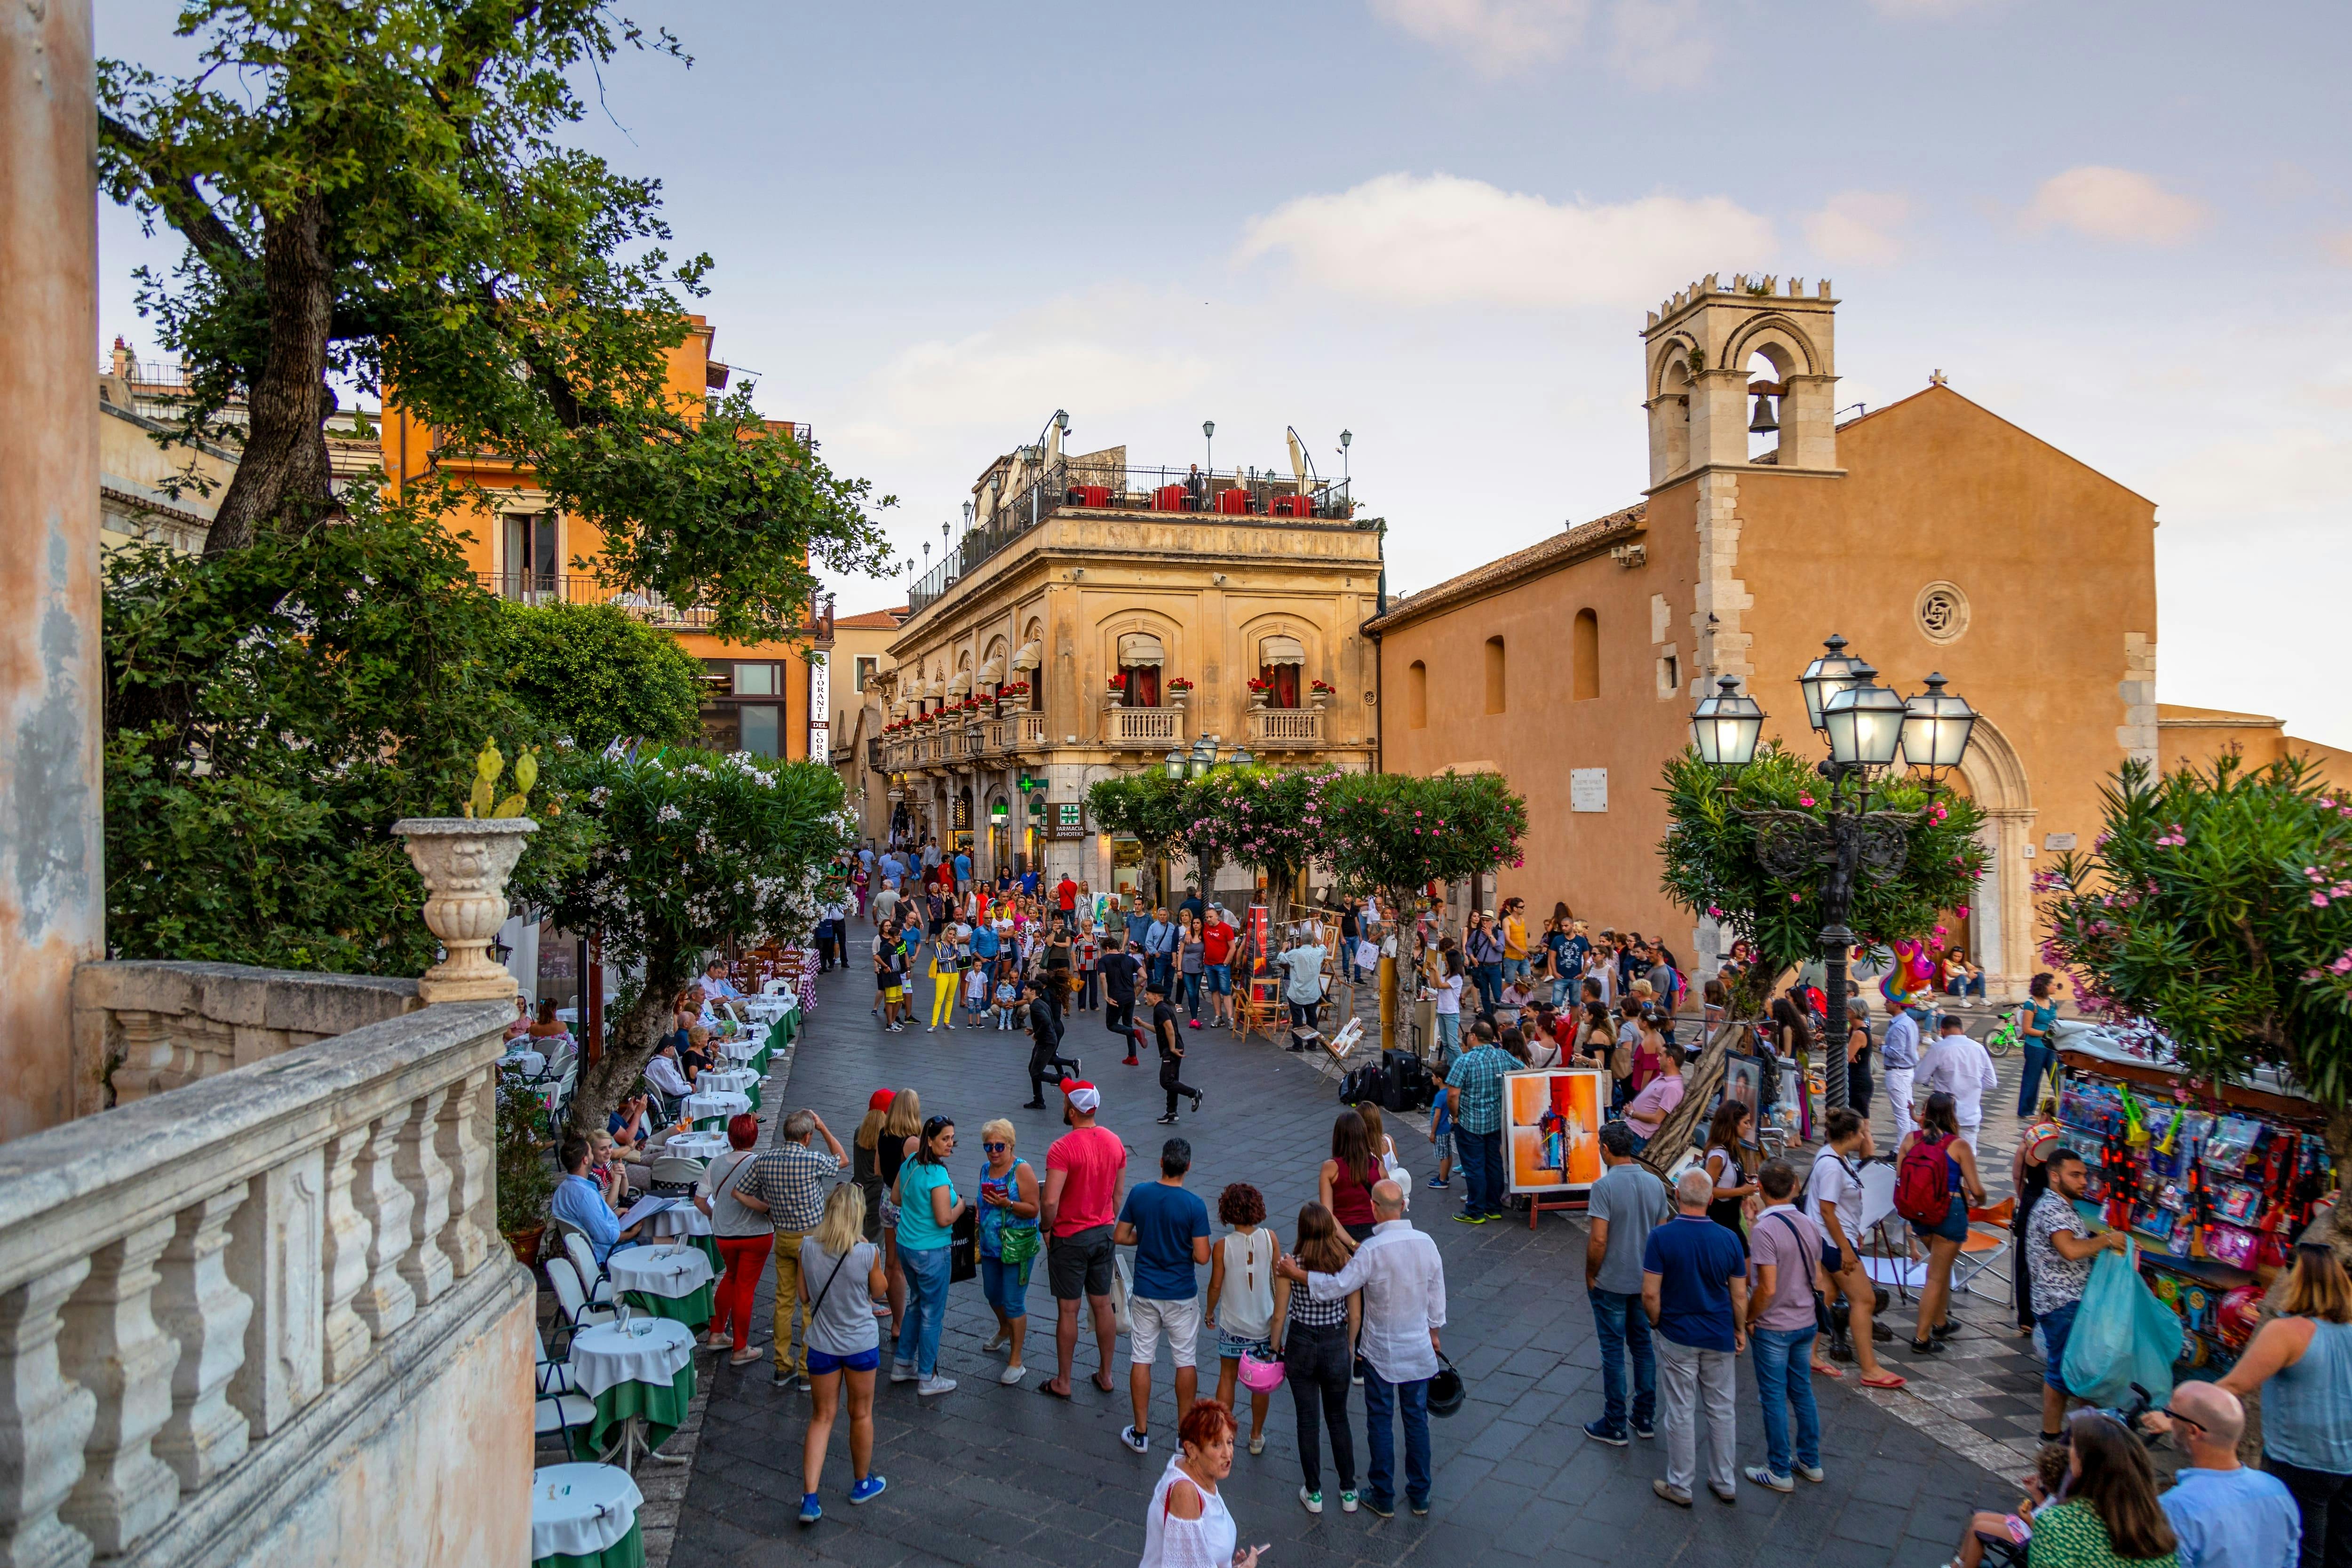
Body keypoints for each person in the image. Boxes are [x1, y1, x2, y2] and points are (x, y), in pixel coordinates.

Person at [1277, 1180, 1444, 1519]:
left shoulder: (1372, 1250)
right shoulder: (1427, 1243)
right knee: (1416, 1421)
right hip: (1418, 1349)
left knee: (1380, 1421)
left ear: (1375, 1208)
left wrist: (1299, 1274)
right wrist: (1434, 1332)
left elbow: (1337, 1286)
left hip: (1381, 1350)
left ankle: (1383, 1493)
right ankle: (1420, 1493)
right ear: (1404, 1205)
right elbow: (1436, 1296)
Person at [2215, 1242, 2352, 1568]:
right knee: (2342, 1556)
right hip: (2346, 1462)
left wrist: (2179, 1412)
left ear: (2297, 1279)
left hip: (2300, 1463)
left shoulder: (2286, 1332)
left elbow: (2234, 1385)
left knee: (2300, 1556)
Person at [1643, 1169, 1750, 1507]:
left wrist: (1657, 1321)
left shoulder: (1661, 1238)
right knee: (1721, 1410)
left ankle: (1681, 1484)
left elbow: (1650, 1293)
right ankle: (1724, 1481)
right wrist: (1739, 1328)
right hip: (1718, 1332)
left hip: (1677, 1333)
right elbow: (1738, 1295)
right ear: (1711, 1198)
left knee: (1680, 1410)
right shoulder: (1729, 1239)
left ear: (1677, 1196)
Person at [793, 1184, 890, 1526]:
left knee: (821, 1417)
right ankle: (862, 1482)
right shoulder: (867, 1253)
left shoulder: (807, 1247)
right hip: (861, 1343)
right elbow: (880, 1291)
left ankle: (810, 1497)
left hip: (822, 1343)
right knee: (860, 1414)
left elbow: (804, 1296)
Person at [732, 1107, 847, 1390]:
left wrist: (767, 1209)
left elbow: (739, 1192)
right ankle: (808, 1368)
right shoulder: (812, 1160)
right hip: (811, 1239)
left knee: (784, 1302)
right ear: (807, 1137)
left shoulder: (765, 1160)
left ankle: (782, 1365)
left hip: (783, 1236)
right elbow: (842, 1159)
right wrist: (823, 1127)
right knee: (811, 1304)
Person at [1114, 1137, 1212, 1454]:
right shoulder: (1194, 1205)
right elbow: (1202, 1256)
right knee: (1185, 1361)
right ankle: (1184, 1437)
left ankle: (1140, 1433)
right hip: (1181, 1294)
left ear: (1161, 1161)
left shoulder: (1140, 1193)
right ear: (1188, 1166)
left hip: (1146, 1291)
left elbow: (1120, 1235)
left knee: (1141, 1358)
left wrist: (1148, 1237)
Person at [2026, 1148, 2131, 1440]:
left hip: (2065, 1301)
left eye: (2085, 1175)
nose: (2084, 1181)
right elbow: (2070, 1250)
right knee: (2064, 1371)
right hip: (2060, 1302)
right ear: (2055, 1176)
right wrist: (2107, 1241)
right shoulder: (2053, 1209)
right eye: (2076, 1175)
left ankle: (2081, 1435)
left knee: (2076, 1369)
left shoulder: (2062, 1206)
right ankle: (2052, 1436)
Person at [2140, 1382, 2303, 1568]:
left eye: (2170, 1414)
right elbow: (2290, 1560)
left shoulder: (2175, 1507)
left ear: (2193, 1431)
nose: (2167, 1420)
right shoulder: (2277, 1490)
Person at [1039, 1081, 1127, 1401]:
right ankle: (1106, 1373)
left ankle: (1064, 1380)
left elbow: (1049, 1201)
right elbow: (1117, 1196)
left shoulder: (1061, 1148)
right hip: (1103, 1232)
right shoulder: (1115, 1142)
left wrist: (1046, 1228)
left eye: (1065, 1102)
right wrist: (1105, 1220)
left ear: (1072, 1110)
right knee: (1102, 1303)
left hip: (1069, 1236)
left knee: (1068, 1310)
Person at [1742, 1159, 1827, 1492]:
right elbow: (1817, 1277)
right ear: (1794, 1186)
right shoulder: (1808, 1223)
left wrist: (1749, 1316)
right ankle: (1810, 1459)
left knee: (1773, 1396)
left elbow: (1768, 1287)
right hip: (1806, 1319)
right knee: (1802, 1390)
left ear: (1760, 1188)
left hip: (1775, 1325)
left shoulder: (1766, 1230)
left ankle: (1779, 1468)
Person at [1584, 1122, 1671, 1445]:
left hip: (1612, 1280)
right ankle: (1645, 1416)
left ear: (1606, 1148)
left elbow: (1598, 1240)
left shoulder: (1604, 1187)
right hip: (1645, 1279)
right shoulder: (1654, 1184)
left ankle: (1615, 1421)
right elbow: (1662, 1234)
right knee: (1643, 1348)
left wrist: (1591, 1274)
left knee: (1613, 1352)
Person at [1271, 1202, 1360, 1514]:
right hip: (1335, 1341)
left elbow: (1280, 1314)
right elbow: (1355, 1315)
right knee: (1338, 1418)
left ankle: (1314, 1492)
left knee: (1307, 1420)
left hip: (1301, 1342)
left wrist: (1274, 1345)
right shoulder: (1346, 1263)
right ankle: (1349, 1491)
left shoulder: (1290, 1264)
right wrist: (1348, 1346)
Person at [1806, 1108, 1906, 1388]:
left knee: (1827, 1295)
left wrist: (1855, 1234)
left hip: (1835, 1240)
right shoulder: (1831, 1166)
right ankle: (1870, 1369)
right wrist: (1846, 1249)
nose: (1865, 1136)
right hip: (1834, 1243)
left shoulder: (1835, 1158)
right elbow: (1827, 1211)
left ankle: (1809, 1355)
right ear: (1850, 1135)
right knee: (1865, 1300)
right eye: (1862, 1132)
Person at [2026, 1412, 2180, 1567]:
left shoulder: (2057, 1525)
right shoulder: (2156, 1528)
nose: (2069, 1451)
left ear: (2084, 1462)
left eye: (2073, 1446)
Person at [1902, 1090, 1988, 1357]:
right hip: (1949, 1212)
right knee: (1936, 1275)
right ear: (1952, 1115)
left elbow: (1902, 1177)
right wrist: (1980, 1200)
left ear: (1926, 1112)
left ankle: (1940, 1323)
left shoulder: (1910, 1140)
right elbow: (1976, 1189)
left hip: (1919, 1213)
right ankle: (1921, 1338)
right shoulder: (1958, 1145)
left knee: (1940, 1267)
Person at [1137, 1400, 1266, 1568]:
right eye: (1216, 1445)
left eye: (1230, 1442)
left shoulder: (1202, 1476)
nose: (1228, 1454)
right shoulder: (1185, 1493)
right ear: (1191, 1449)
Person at [889, 1115, 964, 1397]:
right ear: (930, 1141)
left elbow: (896, 1198)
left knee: (916, 1303)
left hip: (907, 1246)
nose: (950, 1144)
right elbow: (945, 1218)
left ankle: (903, 1364)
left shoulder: (909, 1163)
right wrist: (962, 1206)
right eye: (945, 1139)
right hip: (932, 1251)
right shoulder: (937, 1175)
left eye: (952, 1138)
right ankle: (928, 1377)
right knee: (933, 1314)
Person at [1206, 1184, 1278, 1456]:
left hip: (1233, 1324)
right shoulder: (1270, 1238)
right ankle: (1256, 1436)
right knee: (1261, 1382)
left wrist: (1210, 1312)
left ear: (1228, 1212)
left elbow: (1215, 1286)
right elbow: (1276, 1278)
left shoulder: (1222, 1246)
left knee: (1227, 1375)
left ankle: (1224, 1433)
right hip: (1264, 1323)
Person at [695, 1114, 771, 1366]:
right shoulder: (761, 1163)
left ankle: (717, 1332)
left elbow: (699, 1201)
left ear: (730, 1137)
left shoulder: (715, 1164)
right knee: (745, 1289)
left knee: (731, 1278)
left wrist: (714, 1215)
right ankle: (740, 1348)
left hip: (725, 1234)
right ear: (754, 1137)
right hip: (755, 1234)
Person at [974, 1118, 1040, 1387]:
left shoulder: (1021, 1170)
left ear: (1011, 1145)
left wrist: (1007, 1203)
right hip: (990, 1246)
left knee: (1013, 1302)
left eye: (999, 1146)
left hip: (1017, 1246)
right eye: (988, 1146)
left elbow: (1034, 1208)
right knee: (992, 1294)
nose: (993, 1151)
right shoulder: (985, 1169)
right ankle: (1004, 1328)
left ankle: (1016, 1360)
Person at [1444, 1022, 1514, 1223]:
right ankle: (1493, 1207)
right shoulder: (1503, 1056)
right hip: (1495, 1120)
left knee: (1474, 1166)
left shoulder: (1465, 1061)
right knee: (1494, 1164)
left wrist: (1455, 1116)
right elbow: (1525, 1071)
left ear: (1473, 1036)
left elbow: (1453, 1094)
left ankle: (1475, 1210)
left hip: (1470, 1122)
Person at [551, 1135, 646, 1266]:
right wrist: (633, 1233)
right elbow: (608, 1236)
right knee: (666, 1242)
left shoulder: (562, 1190)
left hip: (589, 1251)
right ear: (585, 1160)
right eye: (591, 1153)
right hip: (608, 1254)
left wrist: (612, 1214)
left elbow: (592, 1219)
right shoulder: (585, 1194)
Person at [1920, 1014, 2001, 1151]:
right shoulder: (1979, 1048)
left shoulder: (1939, 1048)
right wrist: (1973, 1088)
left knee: (1943, 1156)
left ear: (1942, 1030)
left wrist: (1935, 1076)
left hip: (1944, 1117)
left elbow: (1920, 1078)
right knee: (1968, 1156)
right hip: (1971, 1114)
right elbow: (1991, 1082)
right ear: (1962, 1030)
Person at [1702, 1101, 1758, 1252]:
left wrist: (1744, 1178)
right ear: (1733, 1124)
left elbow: (1727, 1178)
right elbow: (1707, 1191)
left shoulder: (1732, 1150)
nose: (1749, 1127)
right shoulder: (1718, 1155)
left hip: (1732, 1221)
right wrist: (1742, 1191)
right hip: (1720, 1222)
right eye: (1746, 1122)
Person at [1320, 1109, 1381, 1248]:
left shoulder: (1330, 1168)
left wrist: (1352, 1244)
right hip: (1373, 1234)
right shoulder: (1378, 1167)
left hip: (1342, 1236)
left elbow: (1327, 1214)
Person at [1149, 974, 1203, 1125]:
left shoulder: (1160, 1010)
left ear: (1154, 996)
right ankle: (1171, 1112)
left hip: (1172, 1048)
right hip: (1176, 1046)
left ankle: (1194, 1093)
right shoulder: (1163, 1007)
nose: (1145, 997)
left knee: (1166, 1081)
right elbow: (1161, 1030)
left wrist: (1172, 1048)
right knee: (1172, 1080)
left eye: (1147, 994)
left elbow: (1170, 1029)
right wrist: (1142, 1025)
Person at [1623, 1024, 1685, 1149]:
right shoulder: (1663, 1076)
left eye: (1661, 1055)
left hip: (1637, 1136)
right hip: (1630, 1128)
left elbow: (1658, 1118)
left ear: (1670, 1060)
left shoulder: (1673, 1088)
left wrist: (1632, 1113)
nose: (1657, 1059)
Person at [1022, 976, 1081, 1109]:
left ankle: (1063, 1078)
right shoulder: (1040, 1003)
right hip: (1047, 1040)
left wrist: (1036, 1035)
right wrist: (1034, 1030)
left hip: (1046, 1042)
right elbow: (1048, 1019)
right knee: (1033, 1069)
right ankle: (1039, 1100)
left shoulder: (1035, 1007)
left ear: (1033, 992)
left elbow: (1047, 1022)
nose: (1023, 991)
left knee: (1036, 1072)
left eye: (1026, 989)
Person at [850, 1090, 896, 1243]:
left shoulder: (860, 1132)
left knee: (856, 1238)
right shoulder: (888, 1138)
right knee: (873, 1244)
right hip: (879, 1197)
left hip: (859, 1191)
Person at [2018, 972, 2065, 1117]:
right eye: (2052, 984)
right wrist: (2046, 1034)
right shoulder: (2030, 1004)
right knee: (2032, 1078)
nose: (2055, 987)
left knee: (2058, 1077)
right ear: (2044, 986)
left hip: (2052, 1047)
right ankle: (2026, 1111)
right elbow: (2027, 1029)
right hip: (2035, 1047)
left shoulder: (2053, 1002)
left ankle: (2066, 1108)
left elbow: (2055, 1022)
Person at [1277, 926, 1327, 1051]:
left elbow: (1280, 959)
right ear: (1312, 942)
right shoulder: (1317, 952)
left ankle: (1298, 1045)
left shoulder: (1295, 953)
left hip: (1297, 993)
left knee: (1297, 1019)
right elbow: (1325, 948)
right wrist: (1316, 938)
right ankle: (1312, 1044)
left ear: (1300, 941)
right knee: (1312, 1019)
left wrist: (1284, 947)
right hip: (1312, 993)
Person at [1880, 995, 1922, 1138]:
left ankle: (1901, 1149)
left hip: (1898, 1072)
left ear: (1897, 1005)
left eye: (1888, 1002)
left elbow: (1896, 1053)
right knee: (1908, 1110)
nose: (1885, 1004)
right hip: (1906, 1071)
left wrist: (1881, 1047)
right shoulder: (1909, 1022)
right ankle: (1913, 1144)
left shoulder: (1900, 1026)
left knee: (1902, 1113)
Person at [1101, 937, 1146, 1067]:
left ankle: (1135, 1033)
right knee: (1127, 1024)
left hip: (1116, 997)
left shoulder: (1104, 960)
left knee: (1111, 1024)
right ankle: (1133, 1056)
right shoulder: (1129, 959)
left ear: (1108, 949)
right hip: (1130, 996)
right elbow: (1144, 976)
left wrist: (1105, 996)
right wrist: (1133, 986)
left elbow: (1103, 978)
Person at [1201, 907, 1236, 1029]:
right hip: (1209, 965)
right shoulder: (1204, 927)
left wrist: (1226, 962)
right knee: (1214, 991)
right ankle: (1218, 1017)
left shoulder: (1226, 928)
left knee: (1226, 992)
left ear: (1217, 916)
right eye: (1207, 917)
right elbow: (1191, 927)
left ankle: (1231, 1018)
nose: (1209, 920)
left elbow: (1233, 947)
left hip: (1222, 965)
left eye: (1211, 917)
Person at [1431, 948, 1466, 1065]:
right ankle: (1452, 1065)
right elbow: (1434, 984)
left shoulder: (1457, 979)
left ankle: (1464, 1064)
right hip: (1441, 1012)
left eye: (1446, 960)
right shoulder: (1444, 976)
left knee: (1453, 1044)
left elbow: (1440, 986)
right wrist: (1431, 971)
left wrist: (1436, 971)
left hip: (1451, 1014)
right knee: (1445, 1043)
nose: (1445, 962)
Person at [1177, 914, 1207, 1027]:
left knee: (1195, 992)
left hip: (1198, 968)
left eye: (1198, 923)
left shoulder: (1204, 937)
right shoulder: (1187, 936)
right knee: (1190, 992)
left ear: (1201, 925)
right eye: (1194, 923)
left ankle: (1195, 1017)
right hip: (1186, 968)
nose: (1195, 925)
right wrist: (1179, 969)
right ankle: (1194, 1019)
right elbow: (1181, 952)